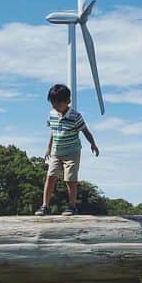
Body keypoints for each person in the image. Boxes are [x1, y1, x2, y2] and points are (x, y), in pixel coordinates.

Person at [35, 84, 99, 216]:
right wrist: (48, 147)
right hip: (56, 152)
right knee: (50, 177)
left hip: (72, 152)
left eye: (58, 103)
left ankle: (72, 206)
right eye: (52, 103)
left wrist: (93, 144)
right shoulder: (52, 114)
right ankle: (45, 206)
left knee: (70, 179)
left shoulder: (75, 116)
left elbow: (85, 131)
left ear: (68, 101)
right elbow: (53, 131)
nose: (55, 106)